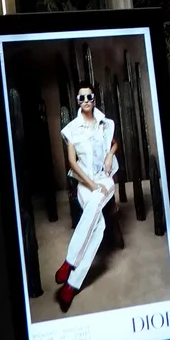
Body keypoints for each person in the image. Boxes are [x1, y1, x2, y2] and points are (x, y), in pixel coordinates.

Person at [54, 84, 119, 312]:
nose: (86, 100)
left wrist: (110, 155)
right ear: (78, 101)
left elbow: (115, 143)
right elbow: (72, 162)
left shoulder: (104, 123)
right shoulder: (72, 129)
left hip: (105, 179)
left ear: (94, 98)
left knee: (95, 205)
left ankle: (70, 261)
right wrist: (91, 184)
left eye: (89, 96)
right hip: (85, 183)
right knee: (98, 226)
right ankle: (71, 285)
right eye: (81, 97)